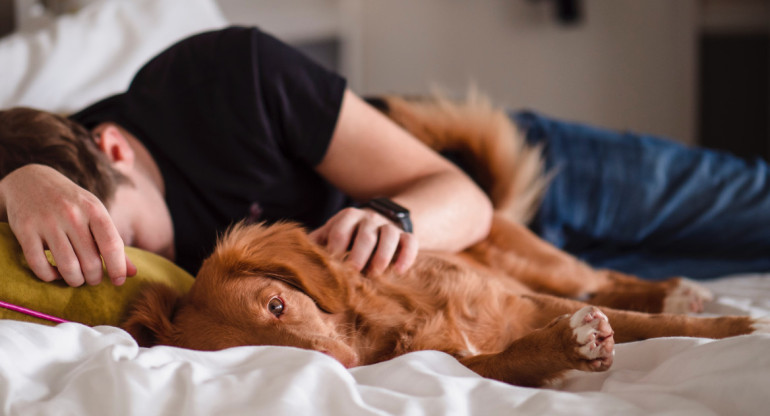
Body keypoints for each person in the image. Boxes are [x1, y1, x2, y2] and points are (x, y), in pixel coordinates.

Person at [0, 26, 493, 287]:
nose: (135, 268)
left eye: (126, 239)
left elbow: (467, 198)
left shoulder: (232, 75)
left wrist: (390, 221)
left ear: (114, 149)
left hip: (470, 146)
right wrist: (15, 181)